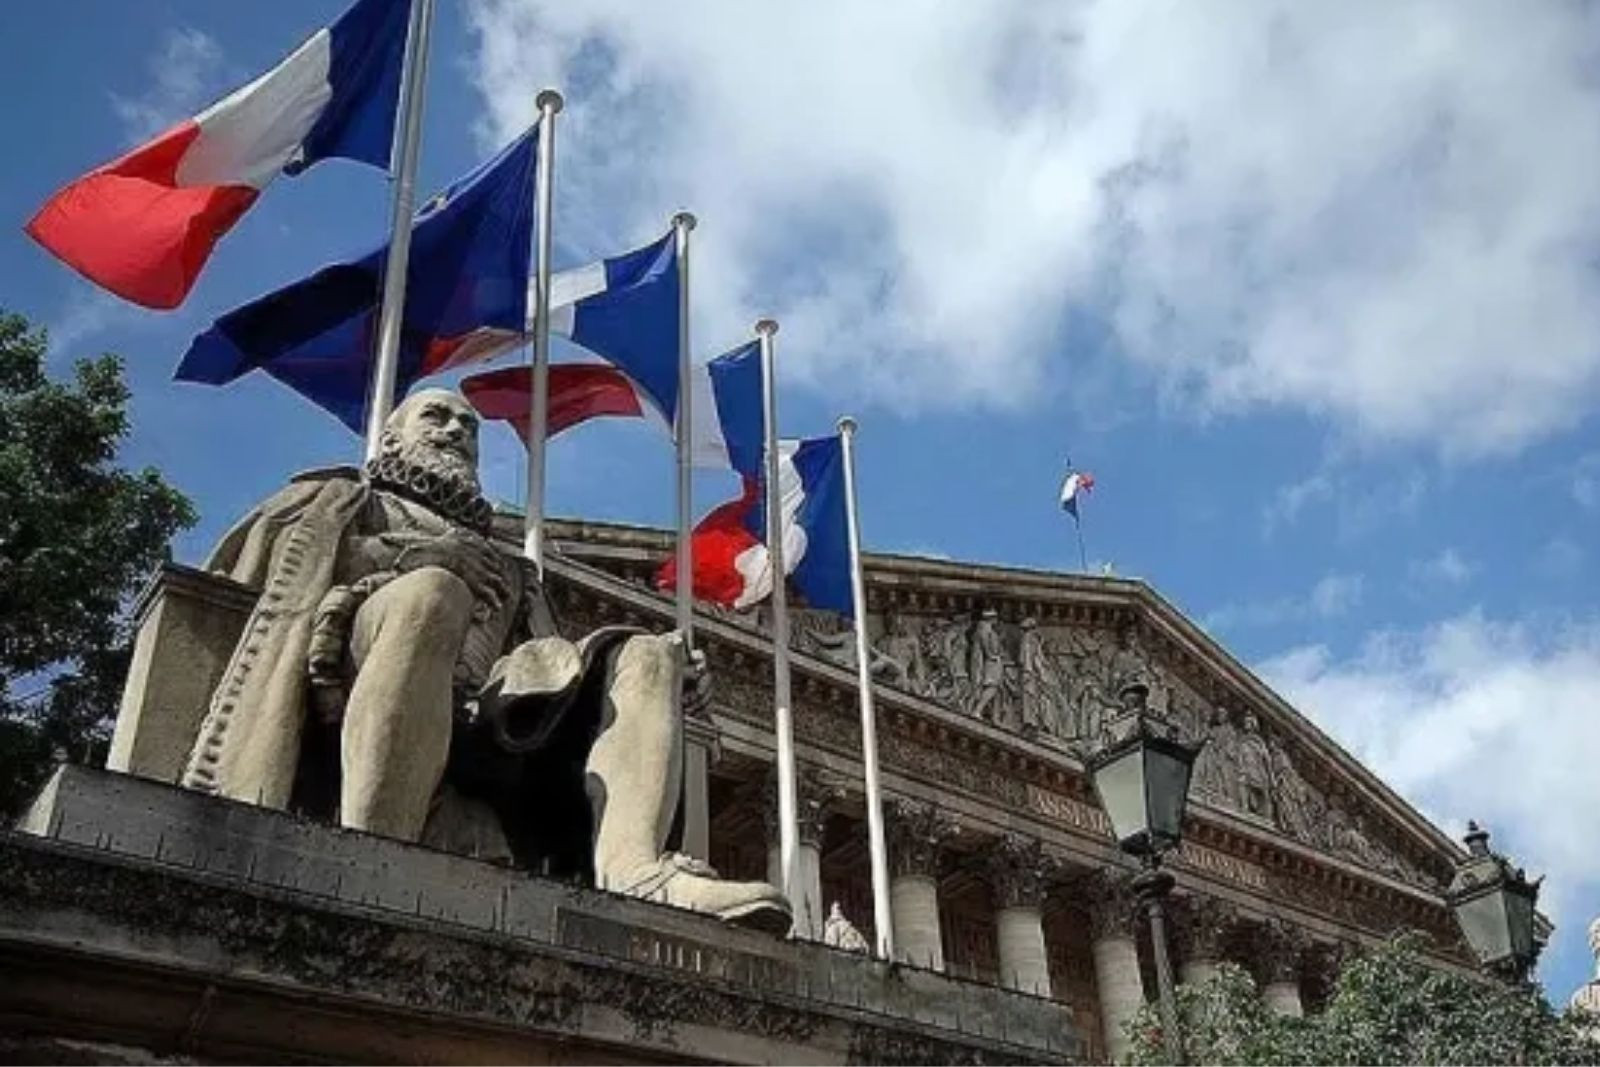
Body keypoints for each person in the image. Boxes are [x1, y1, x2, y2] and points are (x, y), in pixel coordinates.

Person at [180, 388, 788, 932]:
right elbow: (276, 576)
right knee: (433, 593)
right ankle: (374, 852)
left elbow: (545, 667)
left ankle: (636, 870)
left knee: (649, 651)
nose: (454, 432)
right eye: (436, 417)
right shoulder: (345, 502)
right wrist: (416, 558)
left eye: (467, 427)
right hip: (350, 671)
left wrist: (663, 687)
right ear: (391, 437)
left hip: (485, 718)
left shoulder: (512, 568)